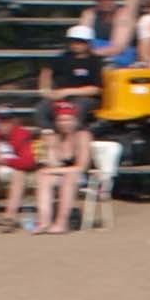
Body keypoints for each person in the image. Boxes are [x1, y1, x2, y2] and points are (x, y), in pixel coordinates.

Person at [33, 101, 94, 236]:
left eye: (68, 120)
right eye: (61, 120)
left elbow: (81, 167)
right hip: (60, 172)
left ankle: (61, 223)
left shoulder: (83, 136)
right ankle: (44, 221)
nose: (64, 123)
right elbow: (51, 164)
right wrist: (50, 148)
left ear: (75, 120)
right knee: (43, 178)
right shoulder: (54, 137)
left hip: (80, 175)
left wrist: (53, 171)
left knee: (68, 179)